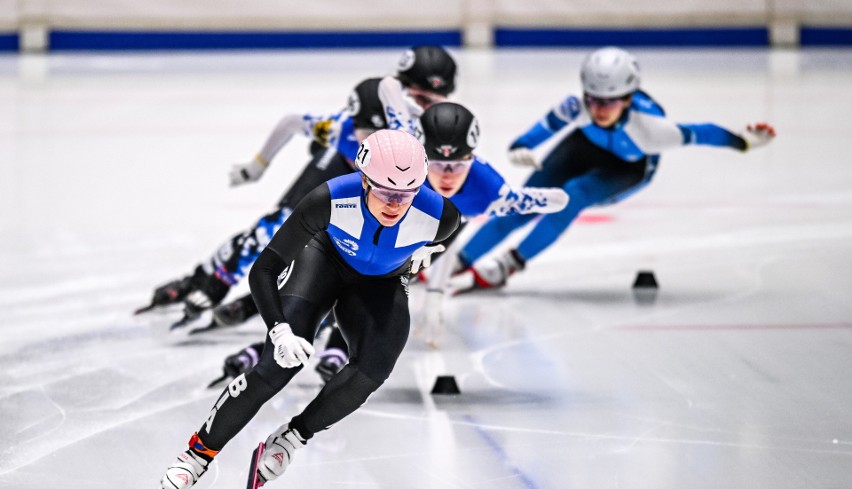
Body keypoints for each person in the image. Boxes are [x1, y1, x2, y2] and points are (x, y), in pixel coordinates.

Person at [153, 129, 461, 489]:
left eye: (406, 194)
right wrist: (278, 329)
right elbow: (263, 270)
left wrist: (429, 252)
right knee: (277, 366)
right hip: (321, 266)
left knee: (376, 366)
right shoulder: (329, 199)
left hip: (380, 283)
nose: (395, 204)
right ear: (364, 179)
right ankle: (197, 454)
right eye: (384, 191)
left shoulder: (439, 215)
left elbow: (451, 228)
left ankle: (292, 438)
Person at [211, 101, 571, 386]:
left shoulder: (489, 193)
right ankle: (268, 323)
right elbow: (388, 94)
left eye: (457, 165)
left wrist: (435, 297)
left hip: (405, 248)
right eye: (438, 164)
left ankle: (333, 340)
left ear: (473, 159)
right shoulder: (404, 161)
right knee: (329, 270)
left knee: (373, 283)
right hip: (356, 236)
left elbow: (451, 245)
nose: (446, 176)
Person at [135, 46, 458, 324]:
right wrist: (256, 166)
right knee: (276, 228)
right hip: (337, 170)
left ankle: (261, 297)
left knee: (342, 251)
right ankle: (210, 279)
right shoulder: (343, 129)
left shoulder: (424, 138)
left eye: (431, 101)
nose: (424, 107)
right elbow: (292, 122)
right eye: (417, 97)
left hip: (377, 190)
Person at [450, 46, 777, 291]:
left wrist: (742, 141)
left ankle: (510, 264)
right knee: (522, 201)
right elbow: (539, 131)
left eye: (609, 102)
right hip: (583, 147)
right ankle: (458, 261)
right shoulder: (577, 107)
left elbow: (703, 132)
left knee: (574, 195)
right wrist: (521, 148)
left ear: (629, 97)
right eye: (592, 100)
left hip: (628, 166)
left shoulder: (652, 129)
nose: (599, 109)